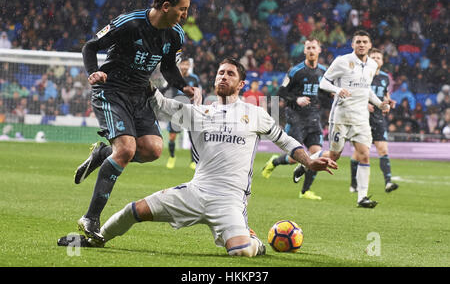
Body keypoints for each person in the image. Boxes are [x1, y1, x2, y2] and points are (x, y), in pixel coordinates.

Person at [58, 58, 338, 256]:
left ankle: (256, 243)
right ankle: (95, 239)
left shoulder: (256, 113)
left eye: (229, 74)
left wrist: (309, 161)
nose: (222, 77)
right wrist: (144, 77)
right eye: (219, 73)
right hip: (194, 191)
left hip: (229, 199)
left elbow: (285, 140)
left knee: (241, 253)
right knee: (133, 211)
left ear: (241, 83)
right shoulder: (198, 112)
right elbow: (159, 104)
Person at [74, 0, 202, 241]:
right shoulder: (130, 23)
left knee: (153, 150)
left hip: (141, 95)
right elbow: (90, 46)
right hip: (111, 91)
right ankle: (90, 218)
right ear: (166, 6)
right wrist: (93, 72)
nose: (185, 15)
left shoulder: (175, 35)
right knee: (127, 150)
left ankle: (103, 155)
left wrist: (184, 87)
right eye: (183, 9)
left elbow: (167, 67)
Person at [294, 30, 391, 208]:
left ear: (370, 45)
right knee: (334, 156)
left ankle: (362, 198)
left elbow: (366, 89)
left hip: (361, 118)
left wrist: (380, 104)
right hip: (341, 116)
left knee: (364, 155)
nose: (361, 45)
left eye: (364, 42)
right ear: (353, 45)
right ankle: (306, 163)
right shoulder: (342, 61)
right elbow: (324, 82)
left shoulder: (371, 66)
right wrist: (338, 90)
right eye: (358, 42)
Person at [261, 39, 328, 200]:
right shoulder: (296, 71)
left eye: (314, 48)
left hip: (313, 117)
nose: (311, 50)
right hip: (296, 116)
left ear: (319, 50)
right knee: (293, 158)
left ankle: (305, 191)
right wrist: (296, 99)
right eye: (308, 48)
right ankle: (275, 162)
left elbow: (325, 92)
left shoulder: (324, 72)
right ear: (304, 51)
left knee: (316, 154)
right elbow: (281, 92)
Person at [349, 48, 399, 193]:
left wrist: (389, 101)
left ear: (382, 61)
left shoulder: (385, 78)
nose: (376, 59)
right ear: (369, 59)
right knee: (360, 154)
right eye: (374, 57)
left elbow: (385, 95)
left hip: (378, 119)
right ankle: (354, 183)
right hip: (361, 118)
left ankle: (388, 182)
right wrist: (365, 104)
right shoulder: (362, 75)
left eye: (379, 57)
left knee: (383, 149)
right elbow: (352, 94)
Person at [164, 57, 200, 170]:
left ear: (189, 66)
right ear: (179, 65)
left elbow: (197, 93)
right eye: (183, 64)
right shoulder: (174, 77)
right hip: (176, 110)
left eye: (187, 65)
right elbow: (166, 90)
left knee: (193, 137)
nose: (185, 66)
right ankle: (172, 156)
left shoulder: (194, 78)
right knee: (172, 136)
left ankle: (193, 161)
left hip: (189, 109)